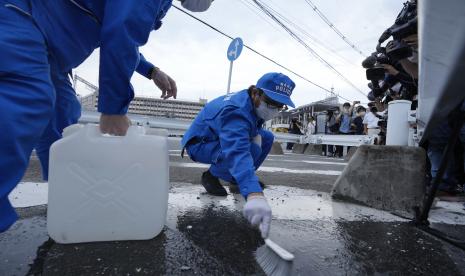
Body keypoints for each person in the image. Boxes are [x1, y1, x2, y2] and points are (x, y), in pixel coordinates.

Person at [0, 0, 214, 232]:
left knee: (63, 117)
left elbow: (115, 25)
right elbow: (123, 27)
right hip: (21, 15)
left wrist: (151, 71)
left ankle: (66, 196)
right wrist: (114, 108)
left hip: (48, 45)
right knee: (25, 99)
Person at [181, 72, 296, 238]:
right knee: (252, 149)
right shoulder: (236, 111)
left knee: (267, 137)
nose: (275, 110)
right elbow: (237, 151)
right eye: (271, 104)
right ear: (256, 93)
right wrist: (253, 193)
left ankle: (235, 179)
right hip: (201, 144)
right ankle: (210, 176)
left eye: (280, 106)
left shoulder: (252, 103)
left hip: (219, 139)